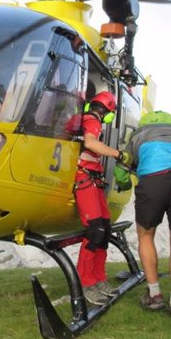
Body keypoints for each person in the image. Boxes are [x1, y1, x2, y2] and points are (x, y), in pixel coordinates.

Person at [122, 110, 171, 318]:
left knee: (146, 235)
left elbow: (125, 167)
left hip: (152, 182)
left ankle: (155, 294)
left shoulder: (139, 134)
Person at [74, 91, 127, 306]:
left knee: (104, 230)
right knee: (95, 229)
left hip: (94, 181)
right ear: (107, 112)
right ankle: (85, 281)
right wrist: (117, 154)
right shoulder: (92, 121)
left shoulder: (91, 120)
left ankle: (98, 279)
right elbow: (90, 143)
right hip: (85, 179)